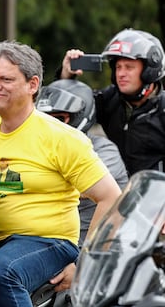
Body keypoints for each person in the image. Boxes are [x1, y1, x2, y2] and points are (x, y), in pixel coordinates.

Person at [0, 40, 122, 307]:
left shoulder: (62, 137)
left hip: (49, 242)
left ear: (33, 84)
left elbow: (112, 199)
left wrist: (84, 265)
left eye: (6, 79)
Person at [59, 28, 165, 176]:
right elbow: (71, 111)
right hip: (115, 190)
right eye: (118, 67)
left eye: (129, 67)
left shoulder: (162, 109)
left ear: (149, 71)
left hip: (154, 194)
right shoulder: (110, 99)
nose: (121, 73)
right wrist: (66, 75)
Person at [36, 79, 129, 245]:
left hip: (94, 248)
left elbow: (77, 186)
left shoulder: (104, 150)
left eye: (58, 118)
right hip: (46, 243)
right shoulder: (37, 149)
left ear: (81, 116)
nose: (50, 126)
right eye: (44, 119)